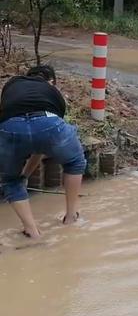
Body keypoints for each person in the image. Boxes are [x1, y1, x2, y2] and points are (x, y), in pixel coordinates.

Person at [0, 65, 86, 238]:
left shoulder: (12, 84)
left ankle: (32, 232)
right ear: (52, 81)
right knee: (75, 162)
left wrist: (23, 177)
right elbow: (44, 142)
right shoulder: (52, 92)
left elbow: (36, 145)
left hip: (10, 127)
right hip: (48, 123)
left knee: (10, 180)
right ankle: (70, 217)